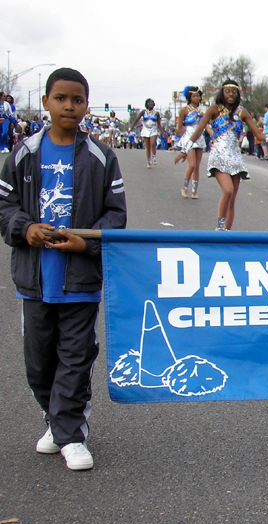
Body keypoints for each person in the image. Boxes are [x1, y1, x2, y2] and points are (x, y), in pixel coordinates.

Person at [0, 67, 127, 471]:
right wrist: (27, 228)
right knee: (38, 362)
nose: (69, 106)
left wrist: (85, 242)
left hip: (81, 283)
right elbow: (5, 207)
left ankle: (71, 433)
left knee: (76, 357)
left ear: (87, 105)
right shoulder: (23, 153)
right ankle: (54, 419)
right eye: (61, 98)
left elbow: (116, 216)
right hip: (34, 281)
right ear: (46, 103)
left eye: (77, 99)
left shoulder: (102, 157)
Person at [175, 79, 265, 230]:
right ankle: (220, 229)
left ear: (238, 94)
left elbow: (259, 135)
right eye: (228, 91)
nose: (231, 94)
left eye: (234, 92)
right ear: (222, 92)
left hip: (235, 158)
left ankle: (227, 234)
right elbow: (198, 131)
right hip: (218, 157)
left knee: (232, 199)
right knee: (227, 190)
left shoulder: (243, 114)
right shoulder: (213, 109)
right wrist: (184, 150)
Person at [175, 85, 206, 199]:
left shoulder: (202, 111)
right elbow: (179, 127)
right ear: (189, 97)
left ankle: (194, 190)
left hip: (200, 138)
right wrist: (177, 138)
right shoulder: (184, 110)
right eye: (194, 96)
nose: (196, 98)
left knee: (197, 166)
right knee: (191, 165)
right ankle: (184, 188)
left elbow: (206, 124)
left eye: (198, 96)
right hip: (189, 138)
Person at [130, 98, 166, 168]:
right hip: (145, 129)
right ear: (146, 104)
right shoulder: (143, 112)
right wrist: (132, 127)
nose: (150, 104)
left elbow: (159, 124)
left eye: (152, 103)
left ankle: (154, 157)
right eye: (149, 103)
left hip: (153, 129)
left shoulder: (156, 113)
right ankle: (148, 161)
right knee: (147, 146)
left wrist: (163, 132)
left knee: (152, 143)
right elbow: (137, 119)